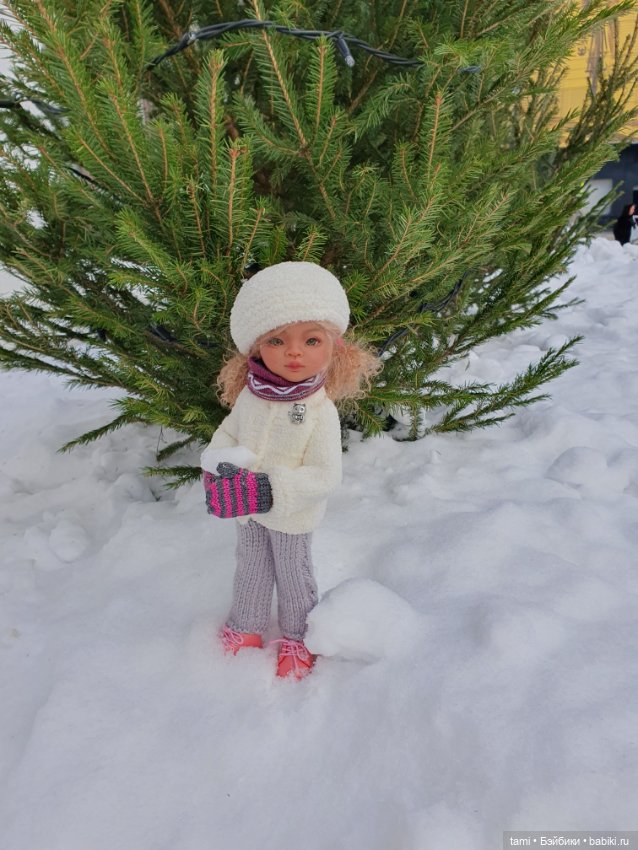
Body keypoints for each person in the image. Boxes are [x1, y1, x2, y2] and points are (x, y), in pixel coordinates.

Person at [200, 261, 381, 680]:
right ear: (256, 349)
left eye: (311, 339)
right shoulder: (251, 396)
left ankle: (300, 637)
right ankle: (246, 626)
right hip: (244, 507)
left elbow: (324, 475)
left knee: (293, 574)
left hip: (291, 516)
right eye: (277, 340)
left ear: (335, 346)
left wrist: (268, 490)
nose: (294, 352)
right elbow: (227, 434)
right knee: (250, 566)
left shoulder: (319, 411)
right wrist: (221, 467)